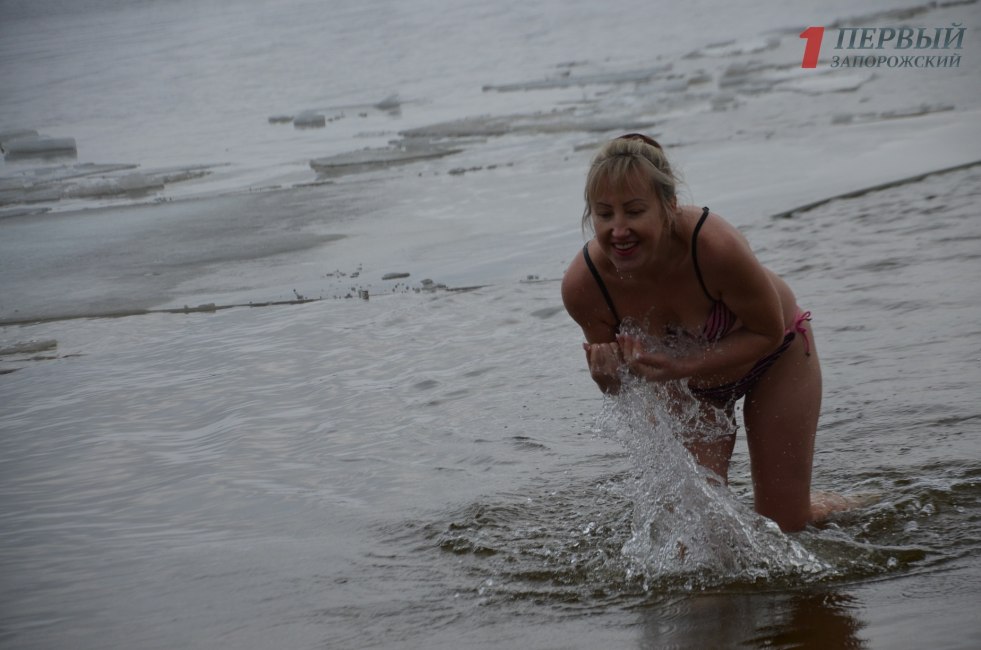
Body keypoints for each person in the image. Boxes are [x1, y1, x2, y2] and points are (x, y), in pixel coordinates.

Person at [562, 133, 847, 532]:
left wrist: (681, 362)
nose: (619, 230)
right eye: (605, 214)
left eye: (634, 211)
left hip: (776, 358)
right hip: (690, 392)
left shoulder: (714, 247)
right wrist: (607, 378)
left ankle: (834, 507)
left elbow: (765, 332)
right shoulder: (585, 284)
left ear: (668, 206)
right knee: (695, 532)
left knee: (787, 524)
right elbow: (620, 389)